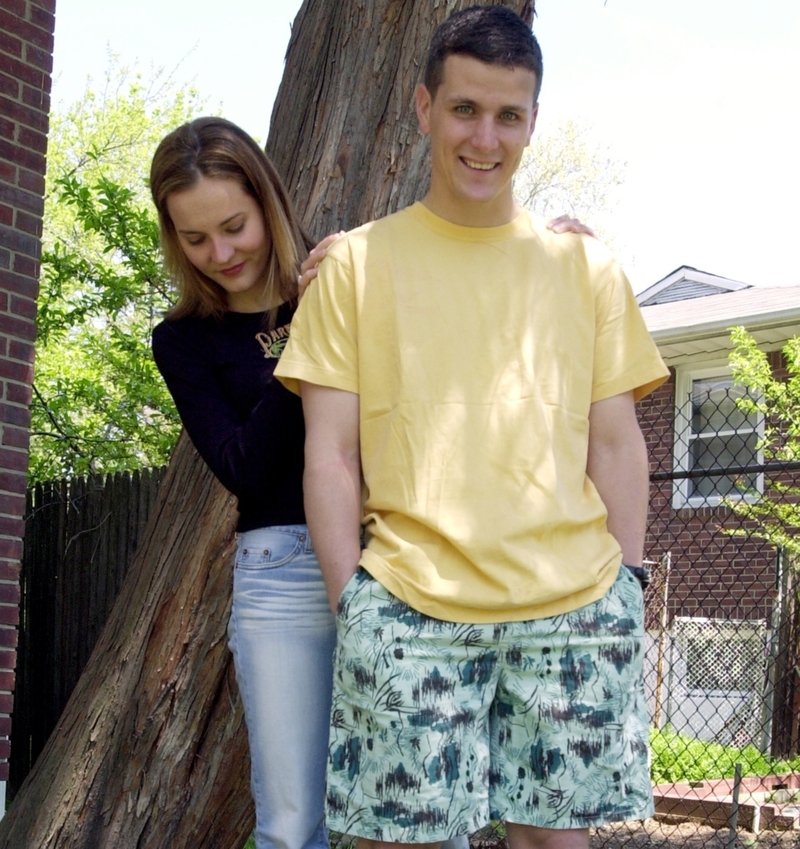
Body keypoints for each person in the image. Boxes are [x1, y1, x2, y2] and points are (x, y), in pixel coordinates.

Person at [275, 6, 670, 849]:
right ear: (424, 108)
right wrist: (359, 604)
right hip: (411, 606)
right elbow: (332, 457)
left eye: (508, 115)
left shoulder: (587, 268)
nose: (484, 137)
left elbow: (616, 443)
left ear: (533, 122)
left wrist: (628, 584)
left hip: (573, 607)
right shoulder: (355, 265)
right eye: (464, 109)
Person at [149, 116, 592, 849]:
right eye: (196, 240)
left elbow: (463, 323)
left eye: (233, 225)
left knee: (428, 807)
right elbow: (244, 468)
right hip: (281, 573)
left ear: (266, 202)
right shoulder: (185, 340)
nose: (221, 252)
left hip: (399, 557)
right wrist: (307, 332)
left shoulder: (352, 269)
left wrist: (548, 254)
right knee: (294, 824)